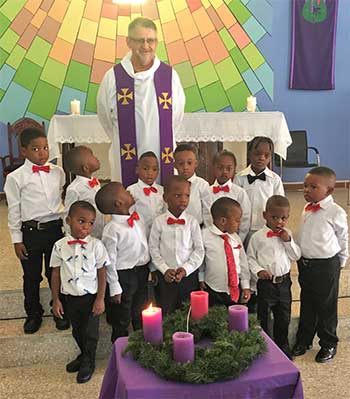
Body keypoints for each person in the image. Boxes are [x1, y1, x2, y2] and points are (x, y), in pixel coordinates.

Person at [97, 17, 185, 186]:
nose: (145, 46)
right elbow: (105, 118)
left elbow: (176, 117)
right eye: (139, 41)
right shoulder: (113, 77)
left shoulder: (169, 76)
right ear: (128, 42)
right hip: (126, 153)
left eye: (150, 40)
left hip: (161, 152)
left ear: (156, 42)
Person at [4, 127, 69, 333]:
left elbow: (61, 202)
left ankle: (58, 308)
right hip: (30, 233)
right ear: (23, 151)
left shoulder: (58, 172)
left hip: (54, 231)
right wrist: (17, 239)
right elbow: (14, 210)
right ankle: (33, 313)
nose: (42, 153)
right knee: (31, 276)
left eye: (45, 148)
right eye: (36, 149)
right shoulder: (15, 178)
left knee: (55, 273)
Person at [292, 167, 348, 363]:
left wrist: (341, 262)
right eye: (305, 186)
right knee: (307, 302)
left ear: (329, 190)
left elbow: (343, 238)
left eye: (313, 187)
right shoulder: (306, 208)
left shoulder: (335, 212)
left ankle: (328, 343)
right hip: (306, 263)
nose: (307, 190)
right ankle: (304, 340)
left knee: (326, 306)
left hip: (326, 265)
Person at [50, 201, 109, 384]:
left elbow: (102, 272)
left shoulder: (96, 246)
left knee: (91, 333)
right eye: (81, 221)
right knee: (77, 330)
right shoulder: (59, 245)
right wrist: (56, 300)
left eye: (90, 223)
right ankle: (84, 355)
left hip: (91, 298)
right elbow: (55, 273)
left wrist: (100, 299)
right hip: (70, 298)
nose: (86, 227)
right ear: (68, 220)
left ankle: (88, 363)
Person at [247, 195, 301, 359]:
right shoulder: (257, 237)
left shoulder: (288, 235)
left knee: (283, 317)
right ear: (265, 215)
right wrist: (258, 271)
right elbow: (250, 258)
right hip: (266, 284)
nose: (279, 222)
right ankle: (265, 347)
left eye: (283, 218)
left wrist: (288, 241)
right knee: (263, 316)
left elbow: (296, 255)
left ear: (288, 217)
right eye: (274, 217)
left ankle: (282, 346)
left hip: (284, 283)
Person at [235, 136, 284, 312]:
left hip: (265, 231)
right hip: (245, 231)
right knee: (246, 265)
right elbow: (235, 203)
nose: (261, 158)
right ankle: (248, 298)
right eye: (257, 153)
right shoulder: (239, 178)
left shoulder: (274, 179)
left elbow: (280, 204)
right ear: (249, 154)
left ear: (271, 157)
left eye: (266, 154)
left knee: (263, 265)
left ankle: (264, 300)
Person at [95, 182, 150, 343]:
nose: (129, 192)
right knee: (122, 313)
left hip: (141, 271)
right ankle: (120, 344)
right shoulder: (112, 229)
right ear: (119, 203)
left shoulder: (137, 219)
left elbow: (144, 246)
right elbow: (109, 261)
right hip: (123, 275)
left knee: (141, 307)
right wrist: (114, 285)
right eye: (125, 191)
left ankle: (142, 339)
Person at [149, 175, 205, 314]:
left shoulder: (193, 222)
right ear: (165, 197)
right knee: (166, 311)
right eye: (177, 195)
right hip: (165, 277)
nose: (183, 199)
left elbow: (199, 251)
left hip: (188, 276)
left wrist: (186, 269)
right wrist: (164, 269)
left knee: (189, 312)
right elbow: (153, 249)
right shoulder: (158, 222)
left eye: (187, 195)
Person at [199, 197, 251, 307]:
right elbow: (201, 260)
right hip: (213, 288)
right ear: (223, 221)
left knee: (234, 319)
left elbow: (243, 262)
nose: (239, 224)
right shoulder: (204, 236)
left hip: (235, 289)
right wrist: (201, 278)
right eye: (237, 220)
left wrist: (246, 285)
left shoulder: (236, 238)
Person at [203, 150, 251, 241]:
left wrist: (238, 239)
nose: (224, 172)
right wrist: (213, 236)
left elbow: (245, 219)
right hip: (212, 239)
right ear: (213, 168)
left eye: (229, 168)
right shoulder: (207, 191)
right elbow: (206, 216)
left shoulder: (240, 192)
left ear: (234, 169)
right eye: (220, 168)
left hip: (234, 238)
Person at [64, 146, 104, 238]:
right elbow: (67, 214)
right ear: (86, 168)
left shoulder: (95, 181)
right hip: (84, 235)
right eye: (92, 156)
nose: (96, 158)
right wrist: (70, 238)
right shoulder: (74, 189)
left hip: (99, 230)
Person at [127, 151, 165, 237]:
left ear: (158, 172)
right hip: (139, 232)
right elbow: (130, 213)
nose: (150, 173)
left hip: (159, 233)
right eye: (145, 169)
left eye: (154, 169)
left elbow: (165, 211)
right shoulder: (131, 190)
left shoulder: (162, 190)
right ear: (137, 170)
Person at [173, 143, 209, 226]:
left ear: (196, 163)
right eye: (181, 163)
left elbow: (207, 212)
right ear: (174, 165)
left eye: (189, 163)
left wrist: (205, 233)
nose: (185, 167)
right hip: (175, 228)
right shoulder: (172, 184)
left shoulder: (203, 185)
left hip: (197, 229)